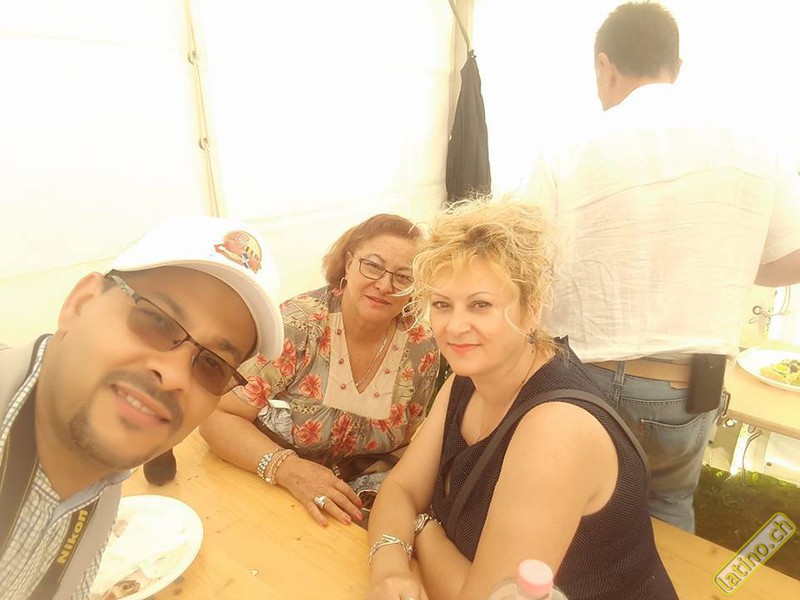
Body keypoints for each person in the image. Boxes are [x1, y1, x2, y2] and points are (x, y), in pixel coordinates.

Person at [522, 1, 800, 533]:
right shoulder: (753, 145)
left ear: (604, 66)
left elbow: (526, 258)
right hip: (689, 382)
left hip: (583, 370)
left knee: (570, 510)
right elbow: (793, 255)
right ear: (677, 67)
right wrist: (725, 262)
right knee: (667, 508)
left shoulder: (569, 147)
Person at [365, 200, 677, 600]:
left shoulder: (557, 428)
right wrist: (390, 568)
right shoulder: (468, 380)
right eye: (442, 304)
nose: (455, 327)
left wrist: (423, 528)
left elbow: (486, 597)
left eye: (480, 305)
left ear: (531, 310)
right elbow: (400, 490)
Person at [0, 215, 284, 600]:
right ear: (80, 304)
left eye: (212, 365)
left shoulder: (104, 475)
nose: (175, 376)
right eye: (156, 320)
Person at [199, 214, 440, 527]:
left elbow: (410, 443)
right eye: (373, 266)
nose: (384, 285)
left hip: (359, 501)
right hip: (276, 488)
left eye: (404, 277)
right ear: (349, 263)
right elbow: (216, 419)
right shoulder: (299, 325)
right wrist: (289, 470)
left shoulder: (422, 346)